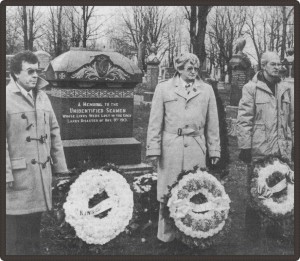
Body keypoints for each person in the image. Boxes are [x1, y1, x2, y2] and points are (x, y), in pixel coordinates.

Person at [146, 53, 221, 243]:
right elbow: (155, 122)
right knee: (167, 190)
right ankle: (166, 235)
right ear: (179, 69)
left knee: (193, 189)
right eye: (189, 68)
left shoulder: (206, 90)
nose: (194, 72)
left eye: (196, 68)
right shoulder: (163, 89)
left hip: (196, 146)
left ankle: (190, 234)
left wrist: (214, 150)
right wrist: (154, 149)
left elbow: (213, 124)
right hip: (171, 146)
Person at [6, 51, 69, 254]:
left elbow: (53, 131)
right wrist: (6, 174)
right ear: (16, 73)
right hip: (17, 179)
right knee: (15, 236)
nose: (35, 76)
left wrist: (60, 167)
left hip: (40, 177)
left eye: (37, 71)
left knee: (34, 233)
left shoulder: (42, 97)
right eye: (30, 71)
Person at [236, 51, 294, 237]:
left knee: (280, 188)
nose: (278, 67)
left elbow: (291, 120)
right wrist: (245, 147)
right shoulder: (251, 88)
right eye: (273, 64)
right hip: (259, 148)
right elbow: (244, 119)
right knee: (256, 188)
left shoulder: (286, 88)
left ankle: (275, 230)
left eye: (279, 64)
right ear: (263, 66)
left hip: (281, 148)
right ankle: (252, 230)